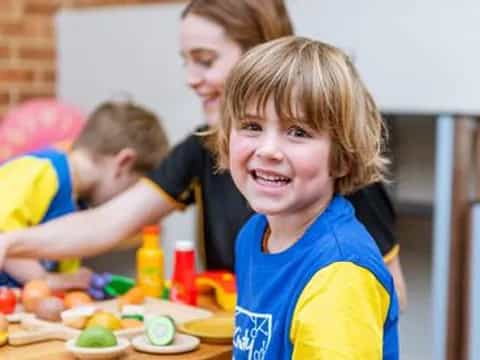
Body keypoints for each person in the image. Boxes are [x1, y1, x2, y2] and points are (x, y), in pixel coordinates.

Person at [0, 0, 406, 310]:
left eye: (206, 61)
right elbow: (108, 222)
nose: (192, 79)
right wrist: (9, 241)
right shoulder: (206, 151)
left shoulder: (333, 176)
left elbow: (388, 294)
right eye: (249, 130)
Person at [219, 36, 398, 359]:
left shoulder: (340, 274)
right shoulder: (254, 234)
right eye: (251, 125)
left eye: (298, 131)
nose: (268, 149)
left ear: (342, 158)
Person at [0, 100, 169, 290]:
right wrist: (47, 280)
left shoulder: (78, 207)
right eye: (132, 188)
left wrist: (71, 280)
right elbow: (3, 235)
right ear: (123, 163)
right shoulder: (40, 171)